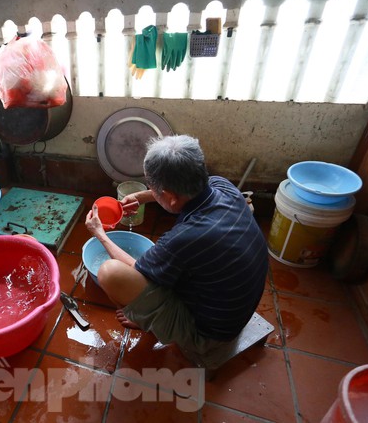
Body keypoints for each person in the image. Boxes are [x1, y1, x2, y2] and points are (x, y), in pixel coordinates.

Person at [85, 134, 268, 357]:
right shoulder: (224, 187)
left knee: (110, 272)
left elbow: (135, 271)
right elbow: (177, 196)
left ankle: (144, 318)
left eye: (154, 189)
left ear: (170, 197)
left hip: (208, 335)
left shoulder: (185, 238)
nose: (152, 192)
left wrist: (100, 234)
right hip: (235, 306)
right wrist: (142, 197)